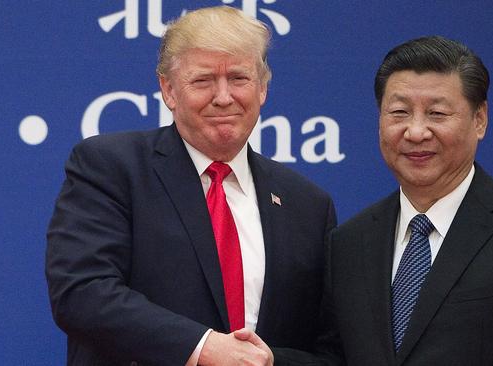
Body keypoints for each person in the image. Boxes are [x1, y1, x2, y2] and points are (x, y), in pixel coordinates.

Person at [46, 6, 336, 366]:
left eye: (239, 78)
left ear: (263, 88)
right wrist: (203, 348)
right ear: (168, 89)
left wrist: (268, 361)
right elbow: (82, 292)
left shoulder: (307, 204)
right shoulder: (111, 167)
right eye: (202, 81)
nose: (224, 97)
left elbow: (330, 349)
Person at [304, 36, 493, 365]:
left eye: (436, 113)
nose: (416, 131)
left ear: (479, 120)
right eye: (399, 112)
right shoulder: (349, 243)